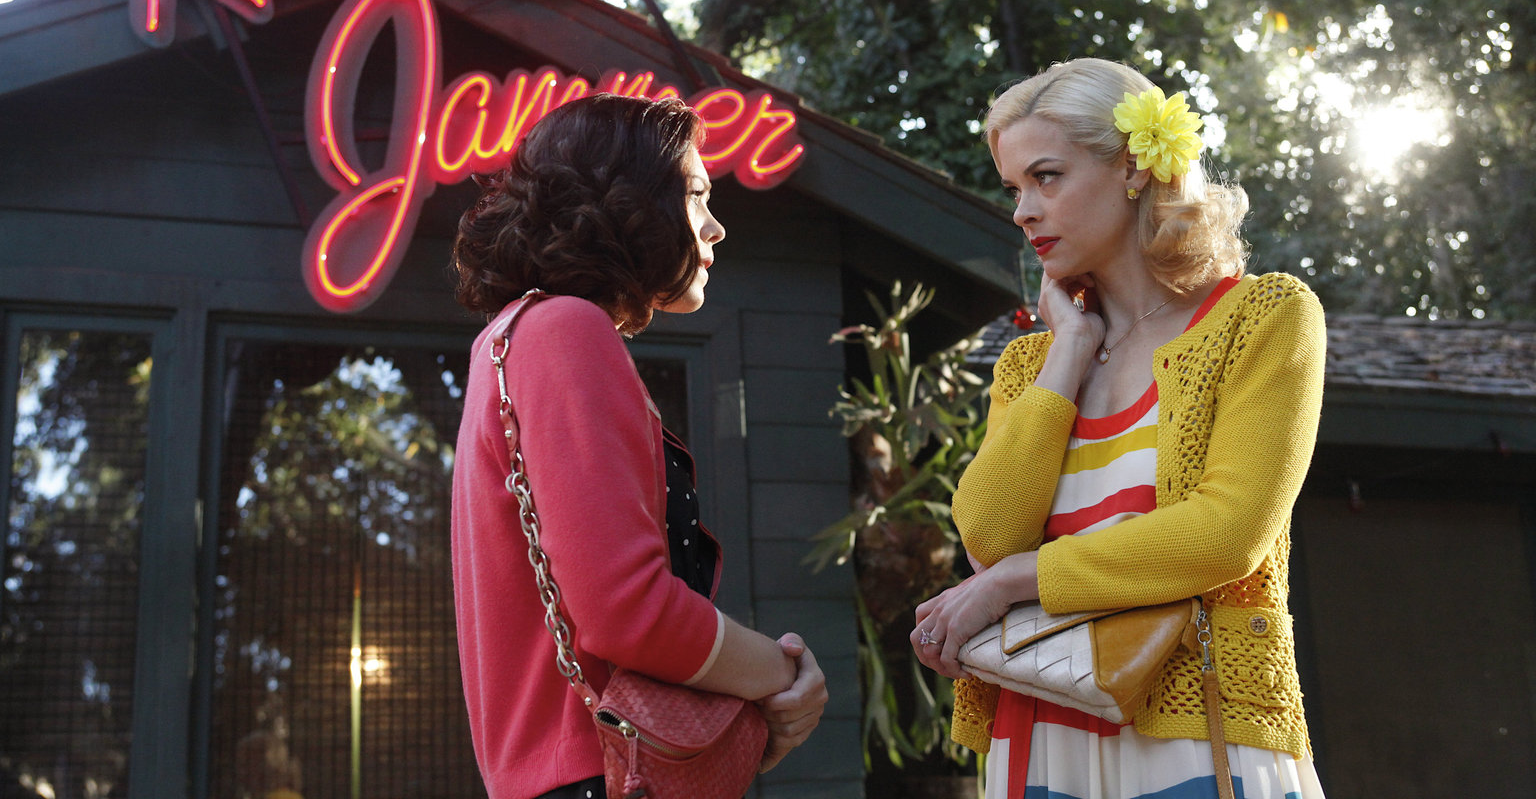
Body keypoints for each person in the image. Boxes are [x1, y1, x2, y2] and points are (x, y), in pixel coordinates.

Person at [910, 58, 1327, 799]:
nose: (1023, 211)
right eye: (1014, 189)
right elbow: (990, 538)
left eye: (1046, 178)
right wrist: (1069, 349)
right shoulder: (1032, 365)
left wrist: (1018, 581)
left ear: (1133, 168)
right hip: (1038, 739)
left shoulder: (1262, 317)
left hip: (1198, 734)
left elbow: (1226, 534)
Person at [450, 93, 828, 799]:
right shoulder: (565, 330)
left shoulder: (512, 338)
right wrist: (785, 675)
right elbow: (630, 612)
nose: (715, 227)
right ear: (626, 200)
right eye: (696, 195)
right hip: (599, 771)